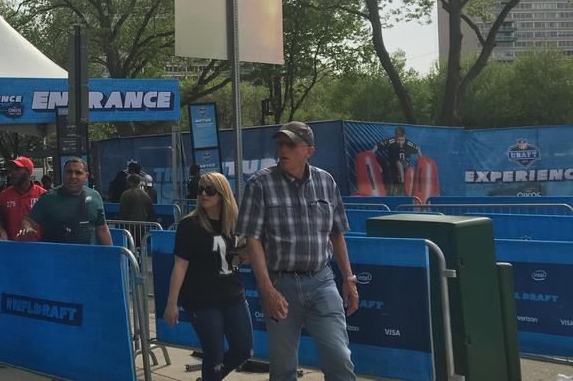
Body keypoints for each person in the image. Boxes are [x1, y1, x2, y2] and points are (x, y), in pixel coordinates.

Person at [237, 121, 358, 381]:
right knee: (283, 368)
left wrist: (348, 276)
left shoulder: (327, 182)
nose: (283, 149)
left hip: (322, 281)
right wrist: (267, 289)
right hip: (280, 283)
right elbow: (252, 239)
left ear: (309, 151)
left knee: (339, 358)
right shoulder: (260, 183)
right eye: (280, 143)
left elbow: (336, 231)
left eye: (290, 144)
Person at [163, 172, 252, 381]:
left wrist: (243, 255)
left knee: (244, 350)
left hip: (232, 294)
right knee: (214, 355)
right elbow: (180, 265)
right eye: (200, 189)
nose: (204, 194)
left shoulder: (233, 222)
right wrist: (171, 303)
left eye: (210, 190)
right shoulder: (189, 225)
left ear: (222, 194)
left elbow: (238, 256)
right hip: (201, 298)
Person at [17, 158, 112, 245]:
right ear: (63, 174)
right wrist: (26, 228)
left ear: (86, 176)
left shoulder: (95, 197)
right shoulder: (49, 198)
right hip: (56, 258)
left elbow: (102, 230)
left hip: (87, 258)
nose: (73, 176)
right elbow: (28, 221)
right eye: (68, 172)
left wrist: (111, 255)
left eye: (78, 173)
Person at [0, 156, 46, 242]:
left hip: (38, 249)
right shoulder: (3, 196)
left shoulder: (43, 195)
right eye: (12, 170)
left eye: (17, 169)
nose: (12, 173)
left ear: (28, 171)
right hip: (12, 249)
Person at [372, 126, 422, 196]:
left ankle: (403, 187)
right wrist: (372, 152)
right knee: (397, 162)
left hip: (405, 168)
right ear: (395, 137)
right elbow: (378, 145)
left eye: (402, 140)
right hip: (392, 168)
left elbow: (417, 148)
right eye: (398, 140)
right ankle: (395, 190)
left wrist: (420, 157)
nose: (400, 143)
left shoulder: (408, 144)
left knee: (404, 164)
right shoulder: (391, 141)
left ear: (404, 136)